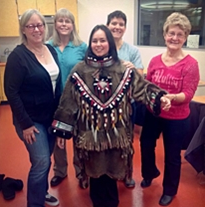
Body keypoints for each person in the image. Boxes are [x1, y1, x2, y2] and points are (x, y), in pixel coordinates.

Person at [50, 24, 171, 207]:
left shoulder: (123, 69)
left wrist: (160, 98)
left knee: (112, 176)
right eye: (95, 41)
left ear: (109, 43)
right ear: (90, 44)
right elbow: (68, 101)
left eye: (103, 40)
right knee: (95, 177)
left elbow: (141, 87)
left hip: (117, 135)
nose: (99, 44)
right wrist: (61, 130)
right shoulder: (79, 70)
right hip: (89, 136)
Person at [139, 12, 200, 206]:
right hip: (154, 113)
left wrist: (171, 98)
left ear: (185, 37)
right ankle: (149, 173)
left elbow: (188, 94)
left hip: (177, 117)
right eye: (171, 33)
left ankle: (169, 190)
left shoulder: (191, 64)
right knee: (146, 144)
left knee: (172, 155)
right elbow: (148, 86)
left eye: (180, 35)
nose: (175, 38)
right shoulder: (155, 60)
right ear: (165, 35)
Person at [4, 9, 62, 207]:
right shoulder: (18, 57)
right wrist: (26, 124)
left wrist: (60, 118)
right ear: (24, 29)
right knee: (42, 161)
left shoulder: (50, 50)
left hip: (50, 117)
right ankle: (35, 203)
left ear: (45, 28)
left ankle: (43, 191)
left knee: (46, 157)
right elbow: (11, 92)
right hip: (30, 119)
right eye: (31, 26)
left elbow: (58, 84)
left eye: (40, 25)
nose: (37, 29)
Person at [48, 8, 88, 189]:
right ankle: (60, 171)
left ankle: (81, 172)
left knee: (80, 139)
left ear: (73, 25)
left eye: (68, 21)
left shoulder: (82, 47)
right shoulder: (48, 46)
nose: (64, 24)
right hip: (56, 102)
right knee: (59, 139)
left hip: (78, 102)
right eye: (60, 20)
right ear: (55, 24)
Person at [106, 10, 144, 188]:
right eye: (114, 23)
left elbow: (141, 76)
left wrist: (133, 68)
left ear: (125, 27)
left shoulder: (132, 50)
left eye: (121, 24)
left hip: (127, 105)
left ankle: (127, 173)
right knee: (106, 139)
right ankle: (108, 172)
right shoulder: (102, 47)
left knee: (126, 140)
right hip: (104, 106)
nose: (117, 27)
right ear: (108, 26)